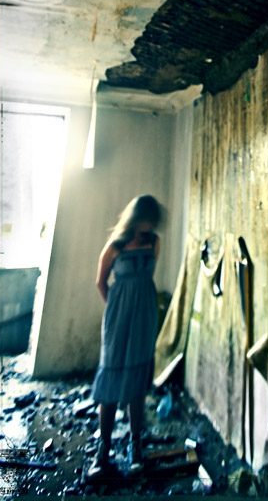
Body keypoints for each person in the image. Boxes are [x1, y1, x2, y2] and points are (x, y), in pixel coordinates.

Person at [89, 195, 162, 477]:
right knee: (111, 377)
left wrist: (138, 307)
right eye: (148, 219)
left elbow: (147, 278)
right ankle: (103, 449)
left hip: (145, 316)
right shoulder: (115, 246)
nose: (151, 225)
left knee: (137, 381)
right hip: (118, 318)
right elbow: (101, 282)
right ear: (136, 217)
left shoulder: (154, 242)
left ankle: (135, 444)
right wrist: (116, 308)